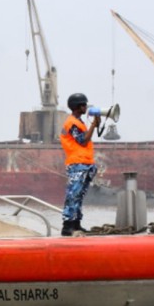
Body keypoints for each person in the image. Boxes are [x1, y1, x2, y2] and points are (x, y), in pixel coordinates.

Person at [60, 93, 100, 237]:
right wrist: (94, 125)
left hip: (85, 163)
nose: (86, 107)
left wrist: (95, 125)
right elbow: (82, 141)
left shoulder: (79, 122)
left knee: (79, 196)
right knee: (73, 194)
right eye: (83, 104)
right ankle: (67, 226)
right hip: (77, 164)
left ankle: (76, 224)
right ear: (77, 107)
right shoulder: (72, 123)